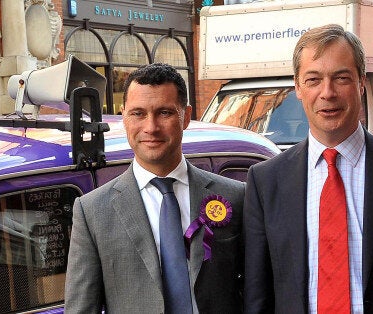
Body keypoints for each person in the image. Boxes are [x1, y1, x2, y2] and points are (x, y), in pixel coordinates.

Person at [243, 24, 373, 313]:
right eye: (313, 80)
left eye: (341, 78)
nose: (327, 92)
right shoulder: (265, 182)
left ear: (361, 82)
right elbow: (258, 297)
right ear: (298, 88)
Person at [65, 63, 244, 313]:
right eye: (138, 113)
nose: (151, 127)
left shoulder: (236, 197)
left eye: (164, 113)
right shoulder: (92, 211)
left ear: (186, 116)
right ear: (124, 116)